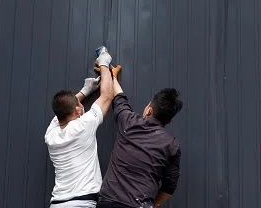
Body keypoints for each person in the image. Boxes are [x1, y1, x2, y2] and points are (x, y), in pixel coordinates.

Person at [44, 48, 119, 208]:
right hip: (81, 203)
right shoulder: (82, 126)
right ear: (78, 110)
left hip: (57, 203)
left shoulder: (51, 133)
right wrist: (104, 62)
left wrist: (84, 91)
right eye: (79, 105)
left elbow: (63, 108)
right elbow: (107, 96)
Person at [98, 74, 183, 208]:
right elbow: (170, 186)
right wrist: (153, 204)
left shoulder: (129, 122)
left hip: (109, 202)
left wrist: (112, 75)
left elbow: (119, 96)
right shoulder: (172, 145)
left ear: (149, 109)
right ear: (170, 121)